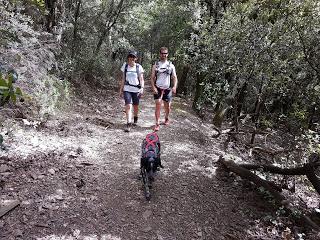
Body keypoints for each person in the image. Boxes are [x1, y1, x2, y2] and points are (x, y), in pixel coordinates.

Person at [150, 47, 178, 131]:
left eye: (165, 53)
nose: (164, 55)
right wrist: (153, 87)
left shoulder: (171, 65)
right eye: (162, 53)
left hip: (167, 88)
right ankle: (157, 123)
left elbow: (174, 77)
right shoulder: (156, 65)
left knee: (167, 107)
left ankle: (166, 117)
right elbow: (152, 77)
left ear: (167, 54)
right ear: (160, 54)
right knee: (158, 103)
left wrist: (174, 86)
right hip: (158, 88)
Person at [119, 50, 144, 132]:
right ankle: (128, 123)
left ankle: (135, 118)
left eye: (133, 57)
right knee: (128, 106)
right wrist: (121, 89)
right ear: (128, 57)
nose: (131, 58)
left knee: (136, 106)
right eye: (130, 56)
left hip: (136, 90)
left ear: (136, 58)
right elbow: (123, 79)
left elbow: (141, 79)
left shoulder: (138, 67)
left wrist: (142, 88)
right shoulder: (125, 66)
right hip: (127, 89)